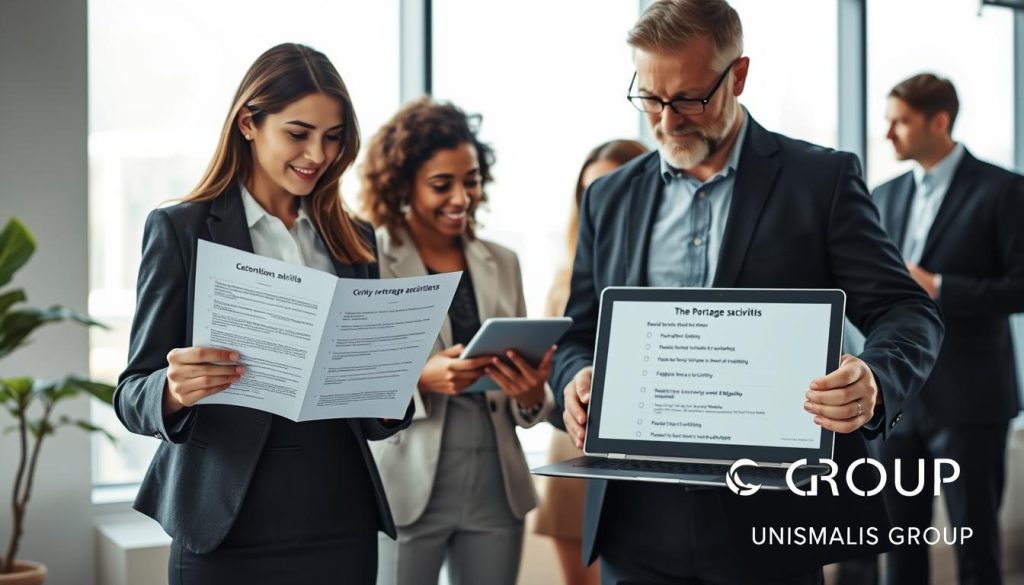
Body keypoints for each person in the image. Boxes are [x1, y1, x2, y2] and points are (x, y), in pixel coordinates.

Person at [550, 1, 945, 583]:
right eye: (651, 99)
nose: (666, 121)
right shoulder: (609, 197)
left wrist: (875, 380)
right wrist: (575, 379)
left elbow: (908, 310)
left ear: (737, 75)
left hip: (771, 515)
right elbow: (579, 333)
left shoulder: (821, 181)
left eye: (688, 98)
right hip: (634, 516)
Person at [113, 43, 412, 585]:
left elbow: (371, 413)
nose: (317, 155)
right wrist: (175, 389)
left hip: (338, 515)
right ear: (249, 122)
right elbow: (133, 393)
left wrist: (390, 395)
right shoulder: (181, 229)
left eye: (333, 136)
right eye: (298, 133)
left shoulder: (354, 239)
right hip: (225, 522)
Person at [359, 97, 555, 585]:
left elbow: (528, 386)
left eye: (471, 180)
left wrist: (533, 398)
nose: (462, 198)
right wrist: (420, 379)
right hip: (406, 483)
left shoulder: (502, 261)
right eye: (441, 185)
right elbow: (351, 379)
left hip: (496, 484)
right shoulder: (371, 258)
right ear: (403, 185)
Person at [870, 73, 1024, 585]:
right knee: (901, 547)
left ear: (940, 121)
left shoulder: (1004, 190)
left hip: (972, 401)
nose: (888, 133)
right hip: (898, 400)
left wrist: (939, 286)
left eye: (901, 121)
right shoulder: (881, 195)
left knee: (975, 546)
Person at [532, 139, 647, 585]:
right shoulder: (566, 269)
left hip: (639, 448)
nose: (597, 200)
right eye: (587, 191)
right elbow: (558, 360)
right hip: (574, 440)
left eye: (608, 186)